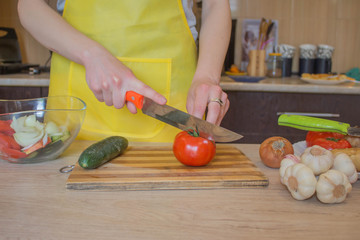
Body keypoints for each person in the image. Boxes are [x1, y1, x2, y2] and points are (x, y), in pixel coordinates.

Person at [17, 0, 231, 142]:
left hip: (171, 106)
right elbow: (29, 5)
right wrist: (92, 56)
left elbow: (216, 4)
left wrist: (207, 76)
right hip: (77, 104)